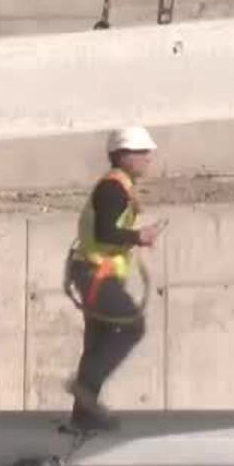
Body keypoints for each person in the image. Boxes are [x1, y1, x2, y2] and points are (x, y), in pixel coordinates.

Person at [63, 126, 164, 432]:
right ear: (123, 155)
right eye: (142, 152)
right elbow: (104, 232)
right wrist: (138, 236)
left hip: (96, 272)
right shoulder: (113, 189)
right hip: (96, 275)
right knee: (133, 324)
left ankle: (84, 415)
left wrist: (136, 238)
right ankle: (84, 390)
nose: (148, 158)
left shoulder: (119, 187)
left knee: (97, 341)